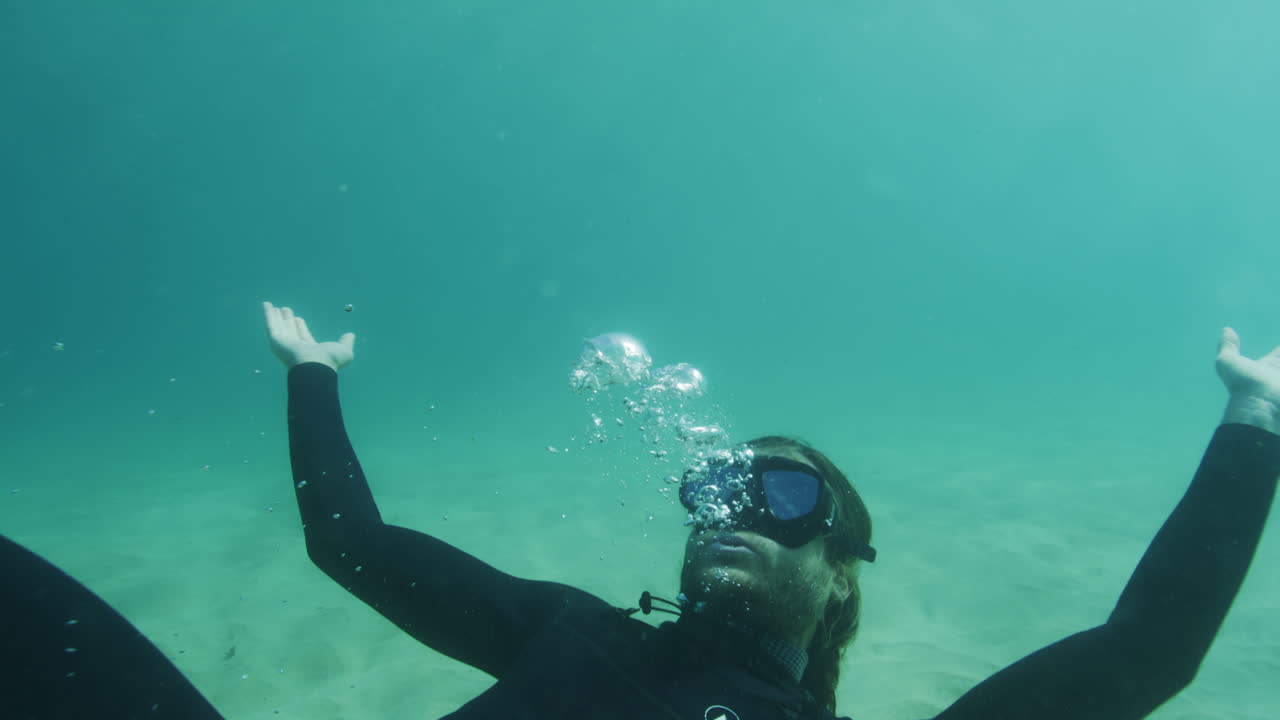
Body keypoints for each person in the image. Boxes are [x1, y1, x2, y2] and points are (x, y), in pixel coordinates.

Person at [1, 305, 1276, 720]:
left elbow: (1140, 654)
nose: (733, 508)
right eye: (716, 487)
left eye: (782, 496)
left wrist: (1254, 421)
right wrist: (314, 374)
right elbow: (354, 546)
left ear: (840, 572)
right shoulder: (575, 635)